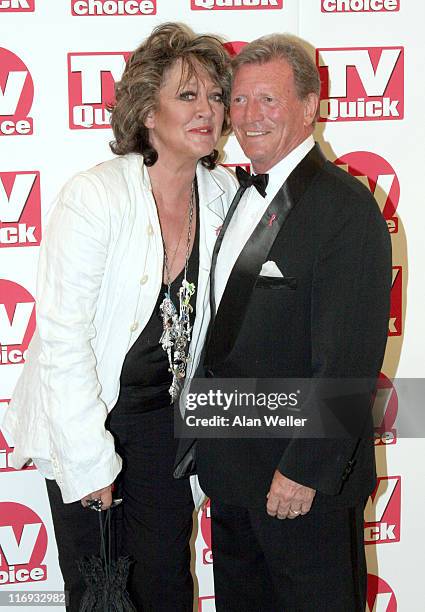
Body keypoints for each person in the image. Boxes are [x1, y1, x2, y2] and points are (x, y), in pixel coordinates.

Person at [3, 23, 236, 612]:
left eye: (214, 95)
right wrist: (90, 463)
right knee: (100, 591)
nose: (206, 109)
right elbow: (63, 342)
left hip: (167, 427)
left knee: (164, 586)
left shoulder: (226, 195)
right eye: (187, 95)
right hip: (89, 413)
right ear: (147, 111)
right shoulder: (96, 197)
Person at [183, 34, 392, 611]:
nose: (248, 117)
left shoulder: (345, 209)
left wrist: (304, 469)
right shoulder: (234, 195)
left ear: (309, 107)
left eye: (268, 101)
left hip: (301, 486)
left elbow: (350, 359)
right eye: (241, 101)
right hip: (232, 476)